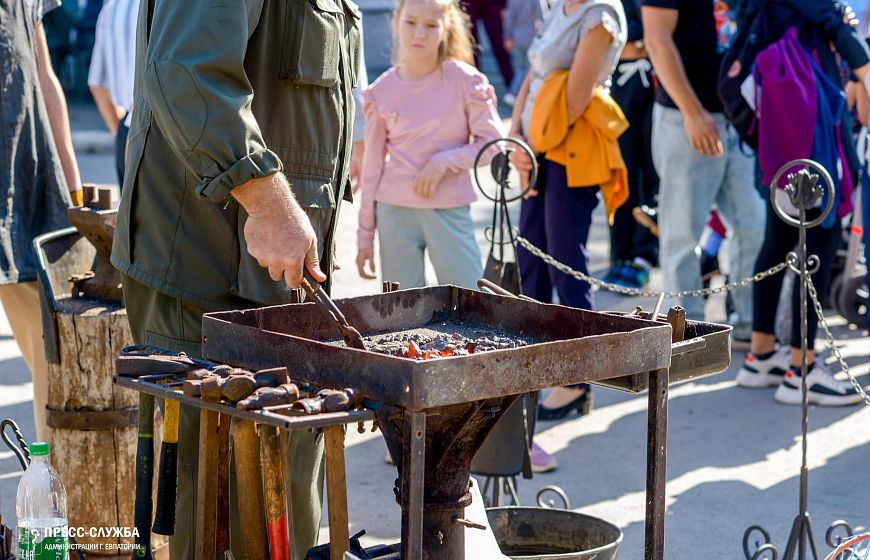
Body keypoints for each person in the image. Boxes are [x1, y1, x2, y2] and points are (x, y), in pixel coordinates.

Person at [109, 0, 360, 556]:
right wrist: (271, 206)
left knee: (284, 517)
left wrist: (314, 215)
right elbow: (187, 71)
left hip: (277, 283)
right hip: (205, 274)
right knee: (216, 524)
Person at [508, 0, 627, 467]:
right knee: (531, 260)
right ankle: (533, 368)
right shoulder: (559, 5)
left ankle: (576, 380)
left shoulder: (600, 13)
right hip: (539, 145)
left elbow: (575, 99)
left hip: (569, 148)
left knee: (565, 261)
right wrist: (517, 137)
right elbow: (534, 78)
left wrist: (528, 150)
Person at [735, 0, 870, 406]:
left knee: (780, 237)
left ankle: (762, 356)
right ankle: (802, 370)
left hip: (788, 105)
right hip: (808, 104)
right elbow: (829, 19)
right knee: (820, 236)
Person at [641, 0, 766, 351]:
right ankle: (686, 335)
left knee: (753, 227)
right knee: (683, 235)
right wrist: (692, 112)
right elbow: (656, 40)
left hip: (739, 118)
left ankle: (749, 326)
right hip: (685, 117)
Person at [355, 0, 504, 290]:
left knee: (471, 303)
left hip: (449, 209)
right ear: (396, 22)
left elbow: (494, 145)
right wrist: (364, 237)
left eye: (431, 25)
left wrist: (442, 163)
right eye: (410, 22)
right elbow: (372, 167)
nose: (419, 34)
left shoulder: (465, 80)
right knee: (401, 313)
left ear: (446, 27)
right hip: (393, 213)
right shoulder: (381, 91)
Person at [0, 0, 82, 444]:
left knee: (50, 355)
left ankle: (49, 480)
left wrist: (71, 186)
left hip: (25, 174)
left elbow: (43, 72)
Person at [605, 0, 658, 290]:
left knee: (651, 170)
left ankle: (645, 255)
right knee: (620, 169)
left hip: (653, 81)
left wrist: (638, 40)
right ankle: (620, 255)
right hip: (616, 82)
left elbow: (655, 36)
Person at [87, 0, 139, 187]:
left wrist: (121, 131)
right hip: (157, 135)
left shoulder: (113, 6)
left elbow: (97, 83)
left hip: (129, 128)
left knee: (129, 213)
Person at [502, 0, 547, 107]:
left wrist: (507, 36)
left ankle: (515, 93)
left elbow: (509, 18)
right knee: (528, 69)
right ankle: (514, 92)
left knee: (521, 67)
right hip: (532, 37)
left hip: (517, 37)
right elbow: (543, 16)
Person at [462, 0, 514, 89]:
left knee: (500, 45)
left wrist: (503, 6)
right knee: (472, 48)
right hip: (468, 5)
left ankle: (513, 87)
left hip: (491, 4)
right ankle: (475, 85)